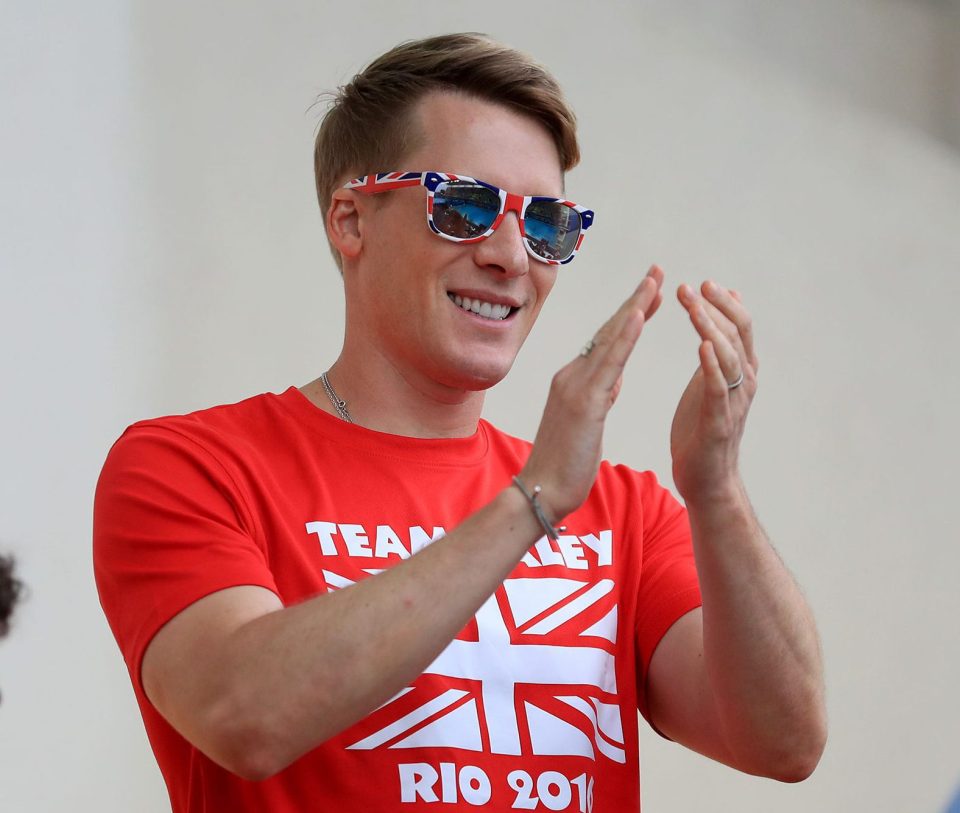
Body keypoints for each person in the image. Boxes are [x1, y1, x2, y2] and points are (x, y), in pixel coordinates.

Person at [93, 32, 826, 812]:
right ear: (351, 220)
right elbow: (244, 713)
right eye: (467, 207)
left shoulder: (624, 509)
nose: (512, 254)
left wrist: (715, 489)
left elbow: (784, 742)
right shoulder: (189, 464)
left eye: (546, 222)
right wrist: (531, 500)